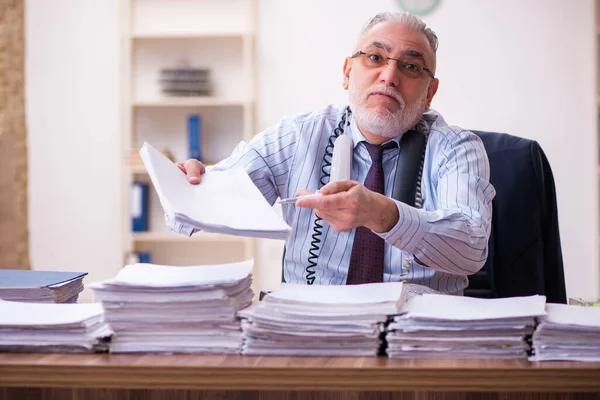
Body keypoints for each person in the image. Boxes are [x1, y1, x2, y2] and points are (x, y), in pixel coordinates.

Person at [173, 11, 496, 295]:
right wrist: (185, 188)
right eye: (374, 58)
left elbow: (470, 251)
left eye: (411, 66)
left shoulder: (457, 148)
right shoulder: (297, 135)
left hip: (417, 332)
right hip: (316, 327)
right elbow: (195, 214)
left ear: (430, 93)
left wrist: (383, 215)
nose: (389, 76)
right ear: (346, 72)